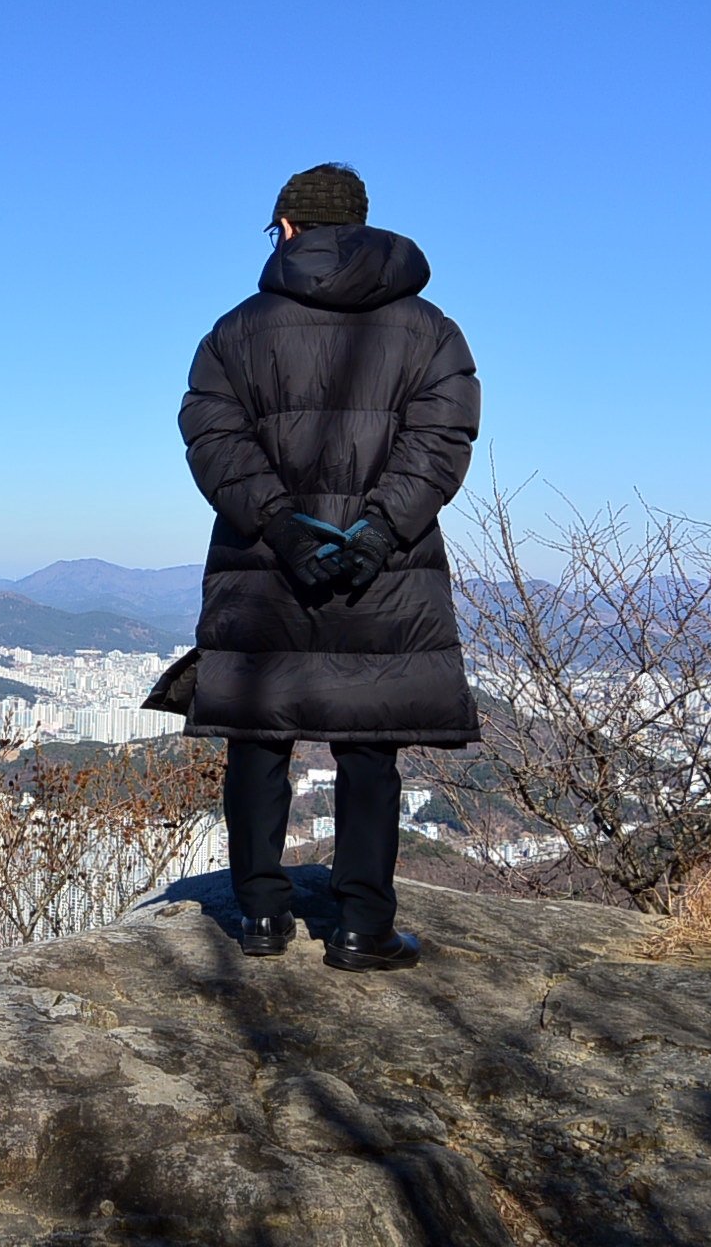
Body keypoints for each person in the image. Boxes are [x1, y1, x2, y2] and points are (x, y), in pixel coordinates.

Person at [176, 162, 481, 971]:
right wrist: (379, 531)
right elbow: (442, 438)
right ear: (362, 225)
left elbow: (213, 439)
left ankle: (262, 916)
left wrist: (280, 524)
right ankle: (360, 927)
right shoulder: (431, 331)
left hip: (263, 564)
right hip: (387, 568)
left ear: (287, 228)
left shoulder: (236, 332)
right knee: (370, 740)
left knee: (258, 735)